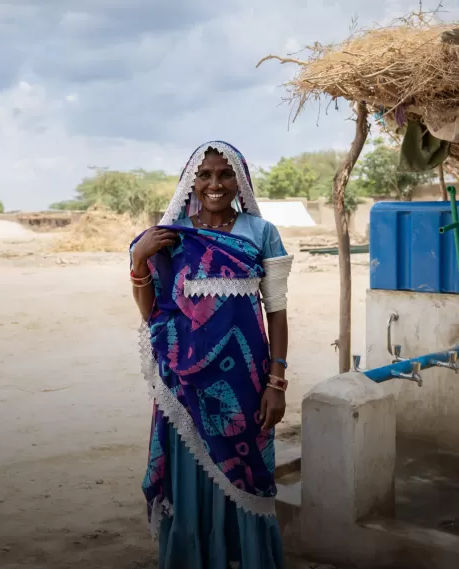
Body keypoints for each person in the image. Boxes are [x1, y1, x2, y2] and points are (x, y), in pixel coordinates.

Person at [129, 141, 293, 569]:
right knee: (191, 479)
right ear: (191, 182)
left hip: (245, 384)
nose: (215, 184)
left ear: (240, 180)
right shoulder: (170, 236)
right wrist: (138, 260)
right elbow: (153, 314)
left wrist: (276, 384)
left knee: (249, 476)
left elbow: (276, 313)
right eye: (205, 175)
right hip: (184, 383)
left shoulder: (261, 233)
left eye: (225, 174)